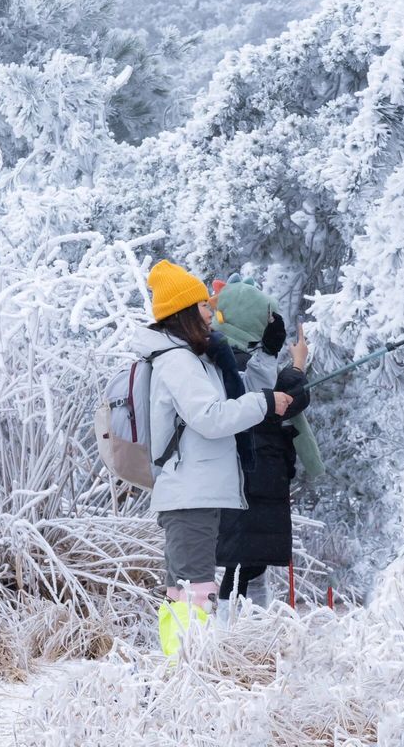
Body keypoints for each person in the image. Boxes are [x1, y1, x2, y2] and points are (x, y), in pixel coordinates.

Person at [131, 260, 293, 647]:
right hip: (189, 492)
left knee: (186, 591)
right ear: (185, 313)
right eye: (204, 305)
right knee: (193, 591)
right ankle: (188, 677)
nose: (211, 312)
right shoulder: (178, 361)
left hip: (196, 490)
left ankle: (183, 671)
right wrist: (265, 404)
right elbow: (210, 417)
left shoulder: (197, 359)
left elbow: (240, 391)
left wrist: (268, 354)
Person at [210, 275, 321, 610]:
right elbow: (273, 399)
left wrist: (280, 357)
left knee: (249, 565)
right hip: (250, 476)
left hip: (256, 476)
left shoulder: (230, 360)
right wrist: (296, 364)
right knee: (242, 566)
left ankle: (253, 635)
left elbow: (275, 395)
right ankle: (234, 639)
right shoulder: (225, 362)